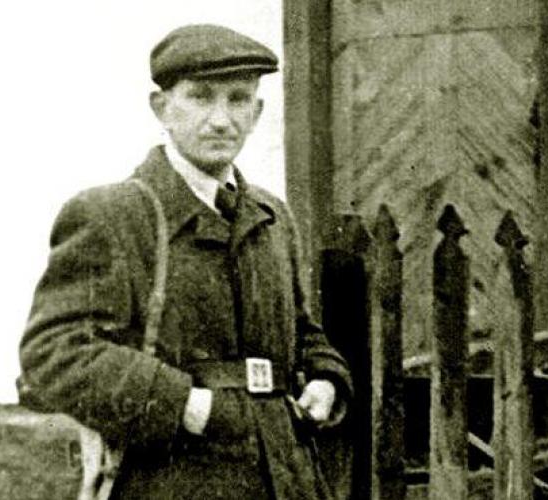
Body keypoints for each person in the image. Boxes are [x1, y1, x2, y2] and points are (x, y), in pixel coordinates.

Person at [18, 24, 352, 500]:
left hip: (286, 476)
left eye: (238, 100)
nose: (221, 120)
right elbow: (54, 352)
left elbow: (302, 330)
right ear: (162, 108)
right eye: (200, 97)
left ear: (257, 113)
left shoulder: (273, 215)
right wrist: (186, 406)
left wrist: (325, 379)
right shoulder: (113, 214)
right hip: (172, 476)